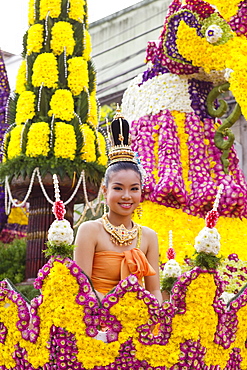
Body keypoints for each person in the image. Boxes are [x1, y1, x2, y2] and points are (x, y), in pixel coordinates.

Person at [74, 110, 162, 306]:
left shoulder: (148, 236)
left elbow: (154, 289)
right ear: (105, 190)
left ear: (141, 192)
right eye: (118, 188)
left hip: (138, 319)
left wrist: (157, 315)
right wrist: (117, 309)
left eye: (134, 189)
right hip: (96, 319)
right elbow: (82, 287)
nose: (126, 196)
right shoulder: (90, 231)